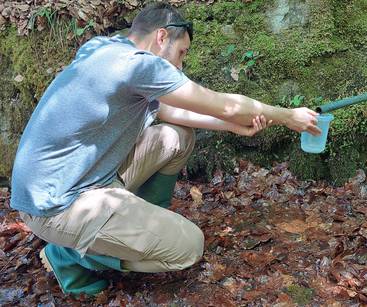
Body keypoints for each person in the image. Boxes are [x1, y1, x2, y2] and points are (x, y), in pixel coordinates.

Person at [10, 2, 321, 296]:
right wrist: (288, 116)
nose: (181, 64)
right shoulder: (139, 66)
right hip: (56, 204)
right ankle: (68, 255)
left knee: (176, 138)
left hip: (75, 181)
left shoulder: (102, 49)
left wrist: (231, 126)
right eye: (181, 52)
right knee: (188, 247)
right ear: (161, 37)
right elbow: (226, 104)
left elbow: (171, 113)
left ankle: (129, 230)